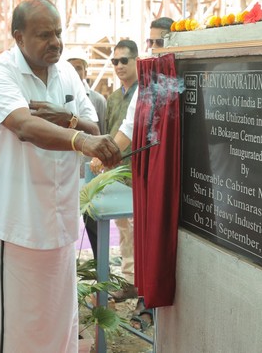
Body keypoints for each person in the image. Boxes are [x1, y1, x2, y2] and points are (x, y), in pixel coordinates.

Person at [0, 0, 122, 353]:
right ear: (18, 37)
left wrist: (69, 120)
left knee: (57, 323)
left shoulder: (66, 73)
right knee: (17, 330)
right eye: (44, 35)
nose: (55, 42)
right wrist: (81, 138)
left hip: (58, 222)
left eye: (58, 33)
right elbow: (24, 126)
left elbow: (92, 122)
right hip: (16, 225)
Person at [90, 16, 174, 330]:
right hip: (138, 175)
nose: (154, 48)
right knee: (134, 236)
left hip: (168, 181)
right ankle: (141, 295)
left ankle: (146, 299)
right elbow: (126, 129)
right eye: (151, 42)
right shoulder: (144, 86)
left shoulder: (175, 76)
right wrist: (105, 153)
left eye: (160, 41)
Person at [106, 39, 139, 302]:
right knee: (123, 228)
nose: (118, 66)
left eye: (124, 60)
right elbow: (110, 134)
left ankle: (138, 282)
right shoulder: (114, 97)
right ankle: (129, 280)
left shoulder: (144, 93)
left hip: (136, 169)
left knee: (135, 227)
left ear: (137, 60)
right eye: (114, 61)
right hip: (116, 172)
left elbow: (131, 131)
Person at [65, 50, 107, 261]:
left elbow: (102, 133)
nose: (74, 71)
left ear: (85, 70)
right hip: (67, 172)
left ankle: (101, 266)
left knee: (93, 223)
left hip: (90, 172)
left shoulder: (97, 100)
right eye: (70, 66)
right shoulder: (60, 97)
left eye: (78, 67)